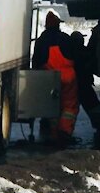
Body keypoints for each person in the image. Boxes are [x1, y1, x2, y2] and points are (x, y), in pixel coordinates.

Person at [32, 12, 78, 144]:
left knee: (51, 106)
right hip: (68, 78)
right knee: (69, 106)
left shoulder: (41, 40)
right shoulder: (65, 38)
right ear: (58, 25)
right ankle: (64, 132)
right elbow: (76, 57)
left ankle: (52, 135)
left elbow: (36, 61)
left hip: (49, 78)